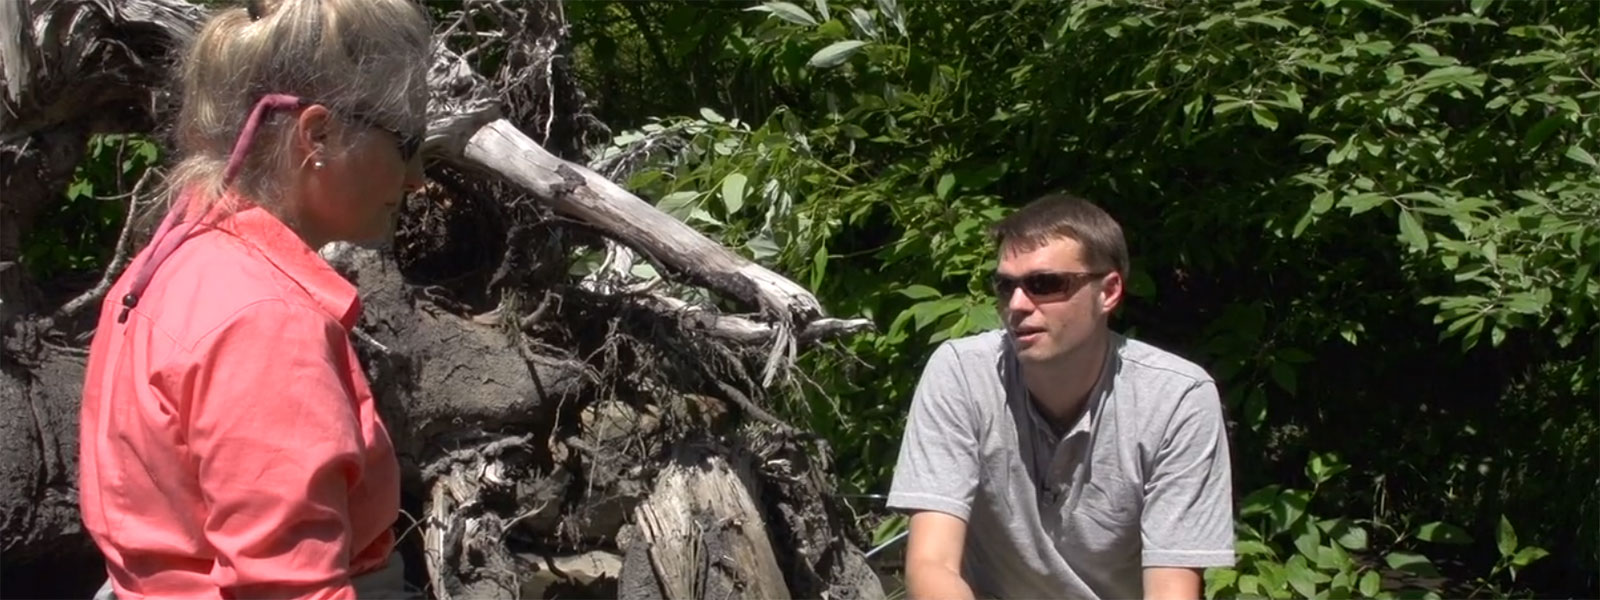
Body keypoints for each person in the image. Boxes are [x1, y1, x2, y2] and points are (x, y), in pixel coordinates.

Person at [78, 0, 431, 598]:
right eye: (407, 142)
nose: (418, 176)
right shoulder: (267, 322)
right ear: (318, 134)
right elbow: (288, 587)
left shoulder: (173, 260)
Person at [887, 193, 1236, 600]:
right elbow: (932, 566)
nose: (1017, 304)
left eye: (1045, 284)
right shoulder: (961, 374)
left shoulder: (1178, 399)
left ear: (1108, 292)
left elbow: (1171, 592)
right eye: (1005, 286)